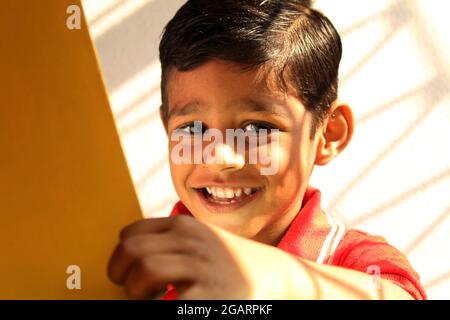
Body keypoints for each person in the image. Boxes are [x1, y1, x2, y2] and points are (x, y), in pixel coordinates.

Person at [107, 0, 426, 300]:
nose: (219, 158)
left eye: (256, 129)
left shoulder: (356, 261)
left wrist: (268, 275)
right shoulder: (140, 266)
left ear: (328, 134)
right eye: (192, 129)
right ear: (167, 128)